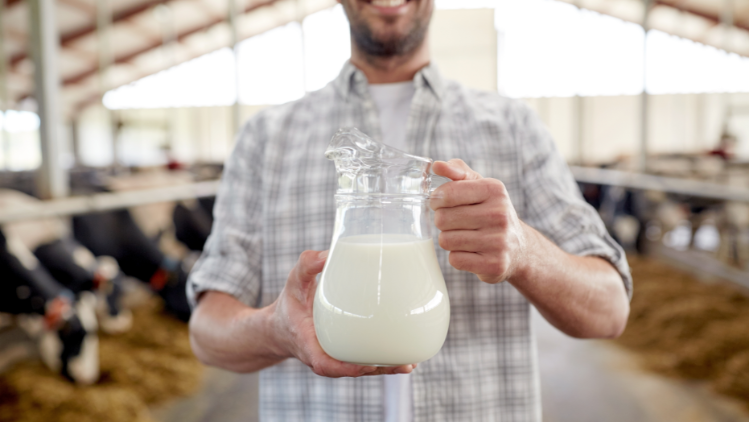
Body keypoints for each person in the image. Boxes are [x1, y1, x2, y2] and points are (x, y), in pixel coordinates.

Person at [187, 0, 632, 420]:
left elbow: (609, 310)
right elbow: (207, 332)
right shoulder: (266, 139)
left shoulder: (515, 127)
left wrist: (526, 252)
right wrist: (275, 328)